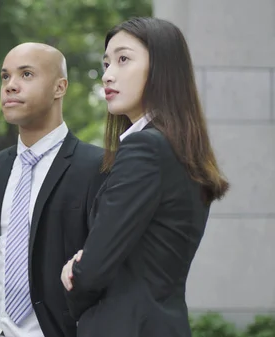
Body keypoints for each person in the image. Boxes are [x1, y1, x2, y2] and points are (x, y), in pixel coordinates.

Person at [60, 17, 230, 337]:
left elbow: (93, 270)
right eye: (107, 62)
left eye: (123, 59)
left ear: (163, 68)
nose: (108, 75)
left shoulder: (145, 148)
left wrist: (75, 274)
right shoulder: (178, 149)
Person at [0, 42, 106, 337]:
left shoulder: (97, 166)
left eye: (26, 74)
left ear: (60, 87)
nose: (10, 86)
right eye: (5, 77)